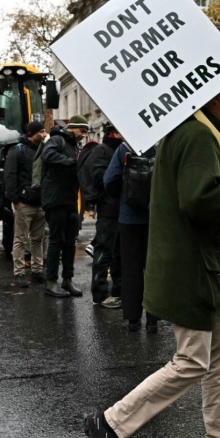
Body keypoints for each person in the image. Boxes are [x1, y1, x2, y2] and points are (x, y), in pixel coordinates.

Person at [84, 76, 220, 438]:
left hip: (201, 270)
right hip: (194, 271)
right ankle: (109, 422)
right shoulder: (197, 135)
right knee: (192, 361)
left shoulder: (194, 132)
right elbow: (200, 200)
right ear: (214, 98)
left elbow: (202, 190)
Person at [104, 141, 157, 332]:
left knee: (130, 268)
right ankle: (153, 320)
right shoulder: (161, 146)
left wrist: (124, 197)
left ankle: (133, 318)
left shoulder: (124, 148)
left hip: (129, 218)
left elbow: (109, 180)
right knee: (153, 268)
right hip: (156, 217)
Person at [41, 119, 88, 298]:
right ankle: (51, 282)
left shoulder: (75, 146)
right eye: (81, 131)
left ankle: (67, 279)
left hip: (69, 200)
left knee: (70, 242)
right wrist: (72, 162)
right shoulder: (56, 140)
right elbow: (48, 156)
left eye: (85, 132)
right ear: (72, 128)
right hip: (55, 199)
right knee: (56, 241)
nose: (83, 135)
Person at [4, 120, 47, 288]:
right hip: (24, 203)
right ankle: (19, 273)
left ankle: (37, 271)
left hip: (41, 202)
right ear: (31, 133)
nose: (44, 134)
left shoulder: (44, 150)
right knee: (20, 239)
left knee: (38, 239)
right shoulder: (17, 151)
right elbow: (10, 175)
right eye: (41, 132)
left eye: (44, 131)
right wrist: (15, 200)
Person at [87, 124, 124, 308]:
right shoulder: (102, 150)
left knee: (119, 254)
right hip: (108, 209)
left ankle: (118, 291)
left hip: (121, 210)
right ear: (114, 133)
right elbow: (99, 177)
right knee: (104, 252)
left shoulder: (123, 149)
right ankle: (100, 294)